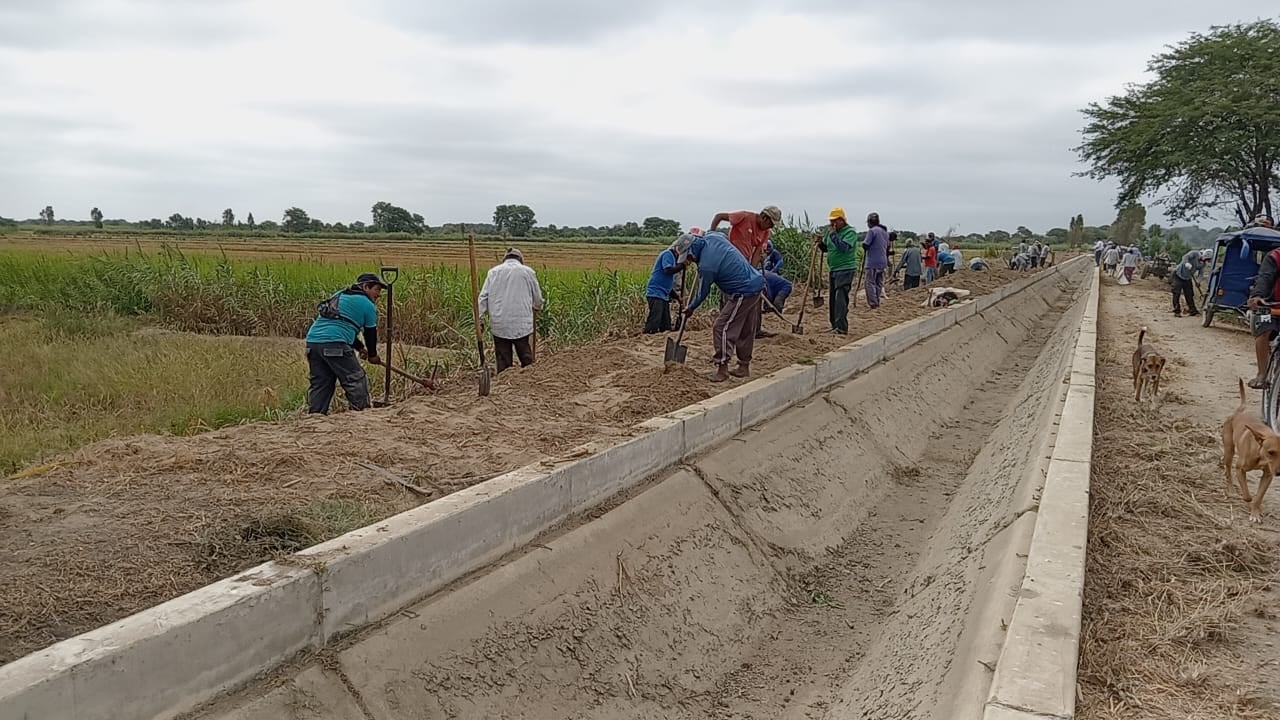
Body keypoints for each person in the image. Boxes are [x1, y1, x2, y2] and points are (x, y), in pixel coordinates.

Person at [679, 231, 766, 382]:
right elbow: (722, 235)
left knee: (722, 327)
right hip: (756, 283)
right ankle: (743, 366)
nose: (691, 261)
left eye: (689, 257)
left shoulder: (707, 266)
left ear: (693, 250)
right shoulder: (713, 237)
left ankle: (722, 368)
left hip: (743, 291)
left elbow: (703, 291)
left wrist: (691, 307)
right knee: (745, 328)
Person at [304, 272, 387, 414]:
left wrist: (360, 348)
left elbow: (340, 325)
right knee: (355, 378)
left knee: (321, 382)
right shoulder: (367, 305)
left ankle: (315, 416)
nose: (379, 294)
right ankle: (361, 413)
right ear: (366, 287)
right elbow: (370, 333)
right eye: (377, 289)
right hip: (335, 344)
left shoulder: (339, 295)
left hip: (313, 343)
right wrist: (372, 355)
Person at [478, 248, 545, 372]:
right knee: (525, 356)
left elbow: (483, 297)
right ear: (520, 259)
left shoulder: (493, 272)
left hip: (500, 323)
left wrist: (479, 318)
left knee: (503, 359)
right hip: (522, 324)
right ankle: (529, 379)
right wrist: (537, 307)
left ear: (505, 259)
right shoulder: (528, 272)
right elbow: (538, 298)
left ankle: (504, 383)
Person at [815, 207, 860, 334]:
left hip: (845, 269)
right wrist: (820, 244)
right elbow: (827, 249)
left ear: (842, 220)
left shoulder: (850, 232)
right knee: (833, 299)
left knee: (840, 298)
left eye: (834, 221)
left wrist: (834, 235)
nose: (832, 224)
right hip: (834, 269)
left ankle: (841, 327)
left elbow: (844, 247)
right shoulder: (830, 233)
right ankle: (834, 325)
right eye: (831, 221)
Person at [1247, 246, 1280, 388]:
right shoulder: (1276, 256)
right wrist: (1258, 295)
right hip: (1272, 304)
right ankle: (1262, 374)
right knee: (1264, 330)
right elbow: (1265, 277)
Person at [708, 206, 782, 266]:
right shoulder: (745, 216)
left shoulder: (765, 233)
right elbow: (719, 216)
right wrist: (711, 234)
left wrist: (752, 270)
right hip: (728, 255)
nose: (771, 227)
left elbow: (757, 253)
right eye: (771, 224)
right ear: (763, 217)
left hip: (743, 261)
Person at [644, 237, 687, 334]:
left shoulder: (673, 258)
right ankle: (647, 336)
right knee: (655, 320)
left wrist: (677, 297)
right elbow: (667, 270)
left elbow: (668, 287)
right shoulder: (667, 254)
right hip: (656, 293)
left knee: (666, 324)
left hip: (663, 294)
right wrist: (681, 266)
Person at [1170, 248, 1209, 317]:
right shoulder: (1194, 253)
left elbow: (1201, 274)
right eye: (1205, 259)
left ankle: (1192, 310)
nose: (1205, 261)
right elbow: (1185, 257)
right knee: (1176, 293)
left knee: (1189, 294)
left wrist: (1198, 281)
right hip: (1178, 275)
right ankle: (1177, 311)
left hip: (1187, 278)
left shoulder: (1202, 264)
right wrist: (1186, 263)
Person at [863, 212, 890, 309]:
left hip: (872, 262)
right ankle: (877, 300)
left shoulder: (872, 231)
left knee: (870, 282)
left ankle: (873, 303)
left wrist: (865, 246)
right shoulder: (885, 233)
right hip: (882, 262)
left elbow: (866, 244)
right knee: (879, 282)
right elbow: (887, 247)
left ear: (870, 222)